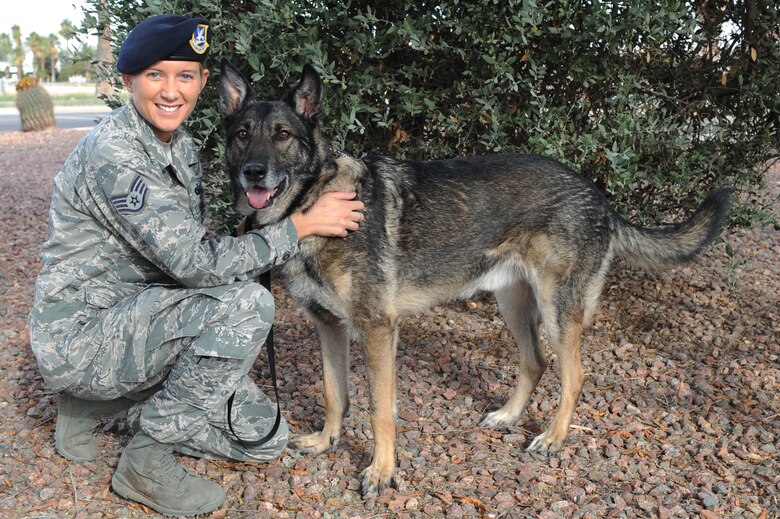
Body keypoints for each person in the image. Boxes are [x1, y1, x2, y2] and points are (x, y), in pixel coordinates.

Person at [28, 14, 364, 516]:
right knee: (248, 304)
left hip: (143, 322)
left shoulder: (178, 146)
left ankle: (97, 405)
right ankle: (145, 462)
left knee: (267, 440)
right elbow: (194, 265)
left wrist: (262, 232)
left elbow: (189, 250)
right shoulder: (116, 154)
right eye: (155, 75)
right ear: (128, 81)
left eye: (185, 76)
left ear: (204, 84)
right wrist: (301, 225)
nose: (171, 91)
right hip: (84, 336)